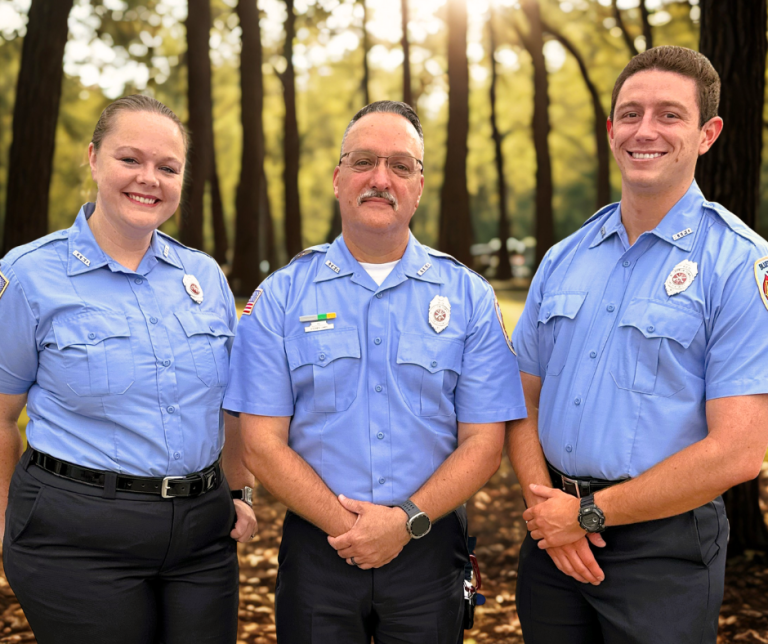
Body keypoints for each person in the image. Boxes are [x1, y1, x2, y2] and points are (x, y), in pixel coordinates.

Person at [223, 100, 526, 642]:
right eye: (363, 162)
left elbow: (485, 441)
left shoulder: (469, 297)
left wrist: (403, 522)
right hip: (319, 549)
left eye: (400, 165)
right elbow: (261, 442)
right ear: (338, 178)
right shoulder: (281, 296)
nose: (380, 179)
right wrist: (352, 530)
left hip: (429, 546)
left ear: (419, 185)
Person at [507, 45, 768, 643]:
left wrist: (590, 516)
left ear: (708, 133)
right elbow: (520, 397)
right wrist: (549, 512)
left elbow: (737, 452)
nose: (644, 130)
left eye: (669, 115)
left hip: (664, 551)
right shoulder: (563, 257)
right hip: (552, 535)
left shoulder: (739, 264)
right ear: (610, 129)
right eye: (630, 114)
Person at [0, 95, 257, 644]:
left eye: (168, 167)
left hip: (202, 540)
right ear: (93, 158)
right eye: (129, 159)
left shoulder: (204, 276)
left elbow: (232, 404)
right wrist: (3, 522)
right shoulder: (27, 276)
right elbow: (0, 416)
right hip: (76, 540)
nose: (150, 179)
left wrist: (239, 492)